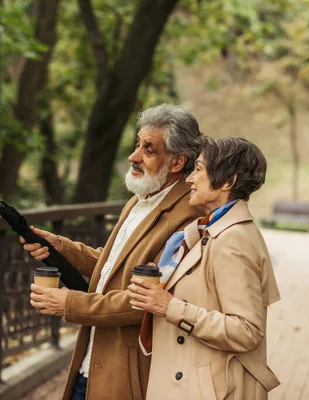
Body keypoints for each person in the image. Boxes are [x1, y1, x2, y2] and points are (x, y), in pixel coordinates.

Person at [21, 104, 203, 400]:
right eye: (137, 145)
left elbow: (145, 302)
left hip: (127, 375)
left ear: (176, 162)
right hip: (90, 363)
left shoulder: (186, 218)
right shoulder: (140, 200)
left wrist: (70, 303)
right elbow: (113, 267)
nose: (134, 156)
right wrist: (61, 247)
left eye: (149, 149)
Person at [127, 137, 281, 400]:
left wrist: (169, 306)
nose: (189, 179)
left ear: (227, 182)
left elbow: (247, 331)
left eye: (198, 169)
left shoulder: (233, 240)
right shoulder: (209, 230)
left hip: (209, 389)